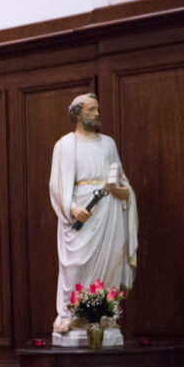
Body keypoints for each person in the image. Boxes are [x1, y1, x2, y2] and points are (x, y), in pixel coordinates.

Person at [49, 93, 138, 333]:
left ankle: (104, 314)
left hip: (108, 213)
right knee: (75, 265)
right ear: (77, 114)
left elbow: (121, 179)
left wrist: (123, 192)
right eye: (91, 110)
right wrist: (71, 209)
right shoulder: (66, 144)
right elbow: (57, 185)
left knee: (110, 263)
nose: (97, 114)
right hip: (81, 215)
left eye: (97, 109)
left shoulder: (108, 143)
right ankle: (69, 315)